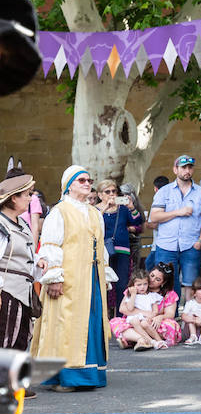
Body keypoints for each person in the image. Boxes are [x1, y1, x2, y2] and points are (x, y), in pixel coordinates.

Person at [33, 165, 117, 391]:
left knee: (90, 323)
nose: (87, 183)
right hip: (68, 279)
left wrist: (104, 275)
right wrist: (54, 277)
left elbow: (101, 248)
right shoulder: (59, 212)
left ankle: (89, 374)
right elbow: (50, 245)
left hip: (91, 278)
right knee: (67, 324)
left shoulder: (94, 213)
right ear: (69, 185)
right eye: (81, 180)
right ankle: (66, 377)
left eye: (89, 180)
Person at [147, 155, 201, 301]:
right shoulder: (165, 191)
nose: (187, 171)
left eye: (190, 167)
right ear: (175, 169)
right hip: (166, 244)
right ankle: (170, 316)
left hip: (191, 244)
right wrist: (178, 212)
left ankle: (188, 318)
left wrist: (200, 241)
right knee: (165, 281)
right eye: (183, 167)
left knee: (190, 283)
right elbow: (154, 216)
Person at [0, 172, 37, 351]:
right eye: (28, 194)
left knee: (20, 339)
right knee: (6, 337)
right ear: (14, 198)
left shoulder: (23, 224)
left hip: (24, 293)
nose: (31, 198)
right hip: (6, 291)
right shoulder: (1, 225)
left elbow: (29, 258)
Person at [96, 179, 142, 314]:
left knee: (122, 284)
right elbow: (93, 224)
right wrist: (105, 208)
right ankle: (103, 316)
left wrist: (132, 207)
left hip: (122, 251)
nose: (111, 194)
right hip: (102, 251)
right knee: (103, 284)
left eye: (114, 191)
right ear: (100, 195)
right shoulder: (95, 210)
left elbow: (137, 221)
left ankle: (120, 317)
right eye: (107, 192)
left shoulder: (123, 209)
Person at [113, 269, 167, 350]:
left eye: (145, 284)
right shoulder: (130, 295)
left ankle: (159, 341)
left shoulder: (151, 296)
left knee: (145, 324)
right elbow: (130, 309)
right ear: (133, 285)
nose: (142, 287)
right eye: (139, 285)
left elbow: (155, 310)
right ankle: (152, 341)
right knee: (135, 321)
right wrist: (133, 295)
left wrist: (151, 316)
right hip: (134, 318)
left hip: (146, 318)